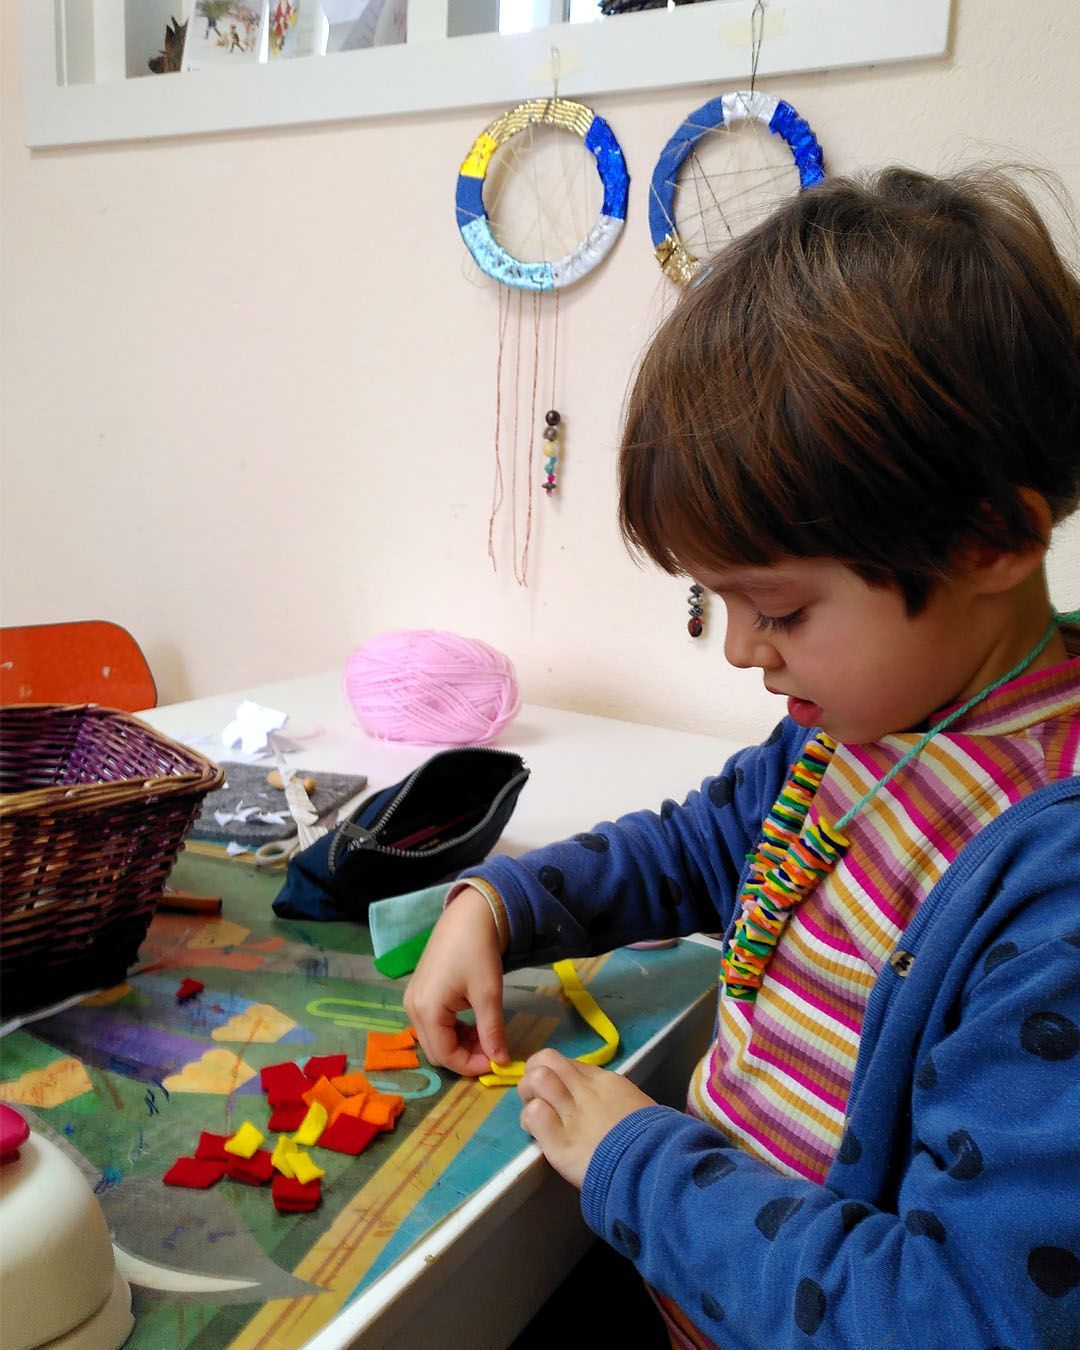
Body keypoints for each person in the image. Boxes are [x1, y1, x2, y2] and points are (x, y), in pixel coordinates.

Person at [405, 166, 1080, 1349]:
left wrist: (636, 1158)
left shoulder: (1054, 892)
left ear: (991, 540)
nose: (739, 651)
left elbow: (957, 1318)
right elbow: (697, 847)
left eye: (779, 610)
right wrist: (497, 903)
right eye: (718, 602)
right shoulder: (855, 729)